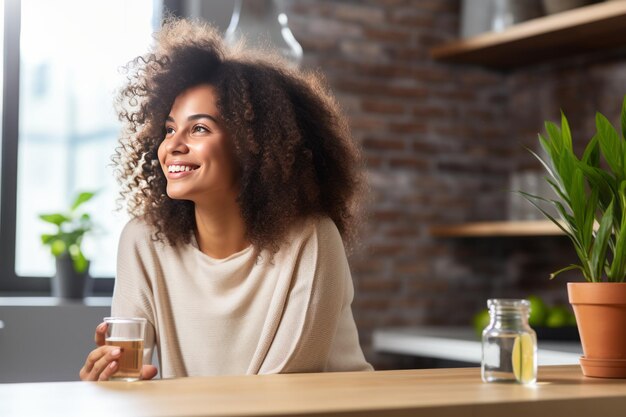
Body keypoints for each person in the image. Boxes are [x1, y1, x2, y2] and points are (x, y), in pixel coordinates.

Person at [79, 18, 372, 381]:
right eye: (170, 129)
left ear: (253, 147)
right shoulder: (143, 241)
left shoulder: (311, 238)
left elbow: (284, 385)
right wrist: (110, 374)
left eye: (199, 128)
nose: (173, 145)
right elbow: (131, 372)